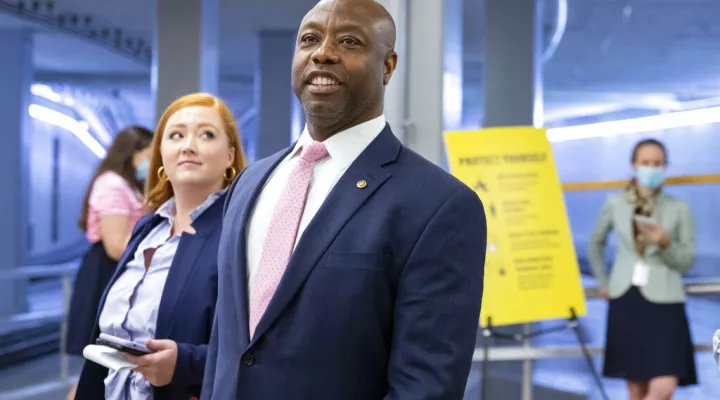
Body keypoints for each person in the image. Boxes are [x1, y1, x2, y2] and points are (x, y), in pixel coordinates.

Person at [201, 1, 487, 399]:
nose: (323, 52)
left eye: (349, 41)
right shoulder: (249, 184)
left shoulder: (438, 206)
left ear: (387, 67)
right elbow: (225, 346)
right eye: (309, 40)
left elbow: (425, 387)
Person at [74, 93, 247, 400]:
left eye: (207, 134)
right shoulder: (148, 229)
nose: (188, 146)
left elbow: (257, 348)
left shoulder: (240, 233)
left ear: (230, 156)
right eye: (176, 135)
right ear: (162, 154)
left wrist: (184, 365)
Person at [588, 138, 697, 400]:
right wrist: (603, 279)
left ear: (665, 166)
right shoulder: (616, 203)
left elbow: (686, 260)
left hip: (665, 301)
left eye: (658, 163)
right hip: (627, 298)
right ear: (634, 165)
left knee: (663, 387)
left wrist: (665, 243)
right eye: (646, 162)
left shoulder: (678, 207)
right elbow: (596, 243)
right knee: (635, 388)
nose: (652, 168)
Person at [65, 126, 153, 400]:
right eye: (148, 156)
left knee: (103, 365)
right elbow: (116, 246)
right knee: (98, 364)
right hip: (104, 273)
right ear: (131, 154)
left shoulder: (128, 185)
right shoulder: (112, 184)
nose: (151, 164)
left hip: (113, 272)